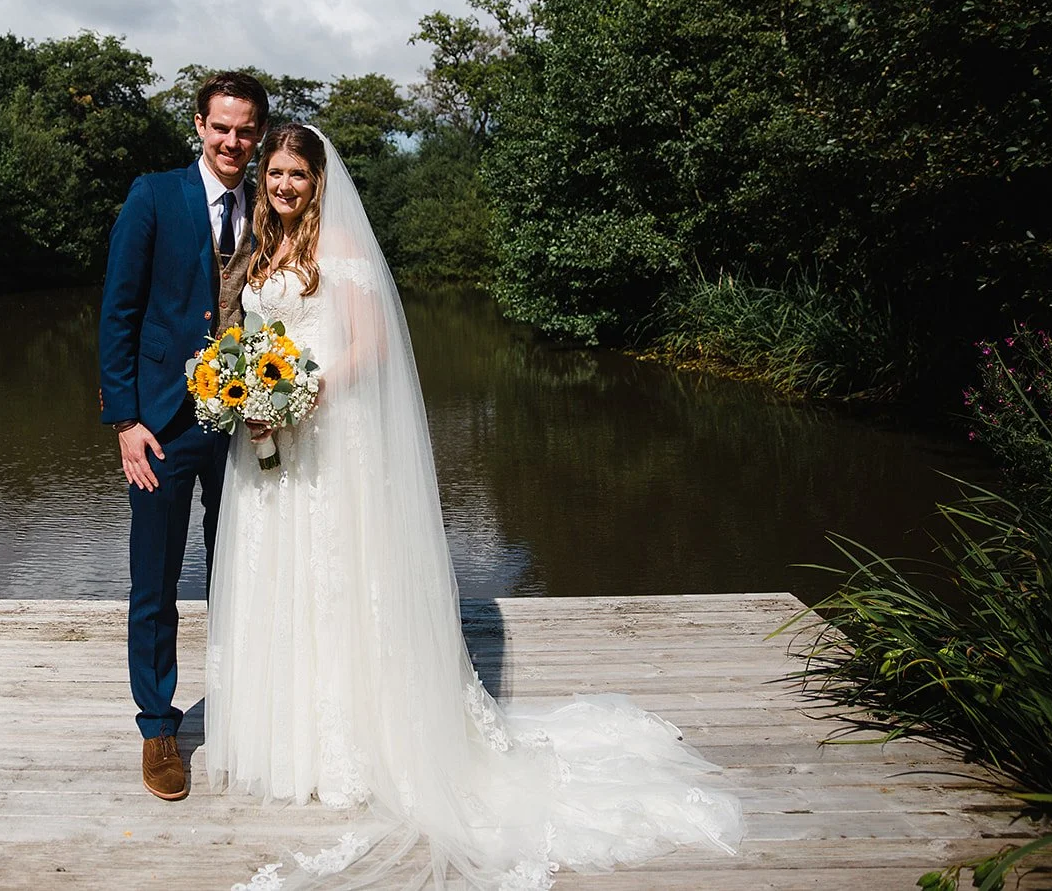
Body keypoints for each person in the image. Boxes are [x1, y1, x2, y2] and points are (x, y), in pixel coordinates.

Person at [205, 124, 744, 889]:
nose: (284, 186)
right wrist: (252, 396)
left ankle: (357, 743)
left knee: (341, 581)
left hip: (330, 437)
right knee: (283, 582)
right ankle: (289, 741)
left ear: (318, 181)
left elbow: (373, 347)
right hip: (271, 443)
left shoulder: (343, 255)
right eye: (275, 174)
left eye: (297, 174)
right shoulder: (257, 254)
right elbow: (250, 337)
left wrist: (307, 389)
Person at [98, 71, 268, 801]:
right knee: (155, 582)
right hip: (162, 424)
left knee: (245, 572)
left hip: (244, 421)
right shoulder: (154, 195)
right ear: (199, 125)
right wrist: (125, 419)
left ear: (258, 133)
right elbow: (118, 312)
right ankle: (159, 727)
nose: (234, 141)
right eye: (221, 126)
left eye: (246, 129)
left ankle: (247, 708)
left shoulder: (275, 200)